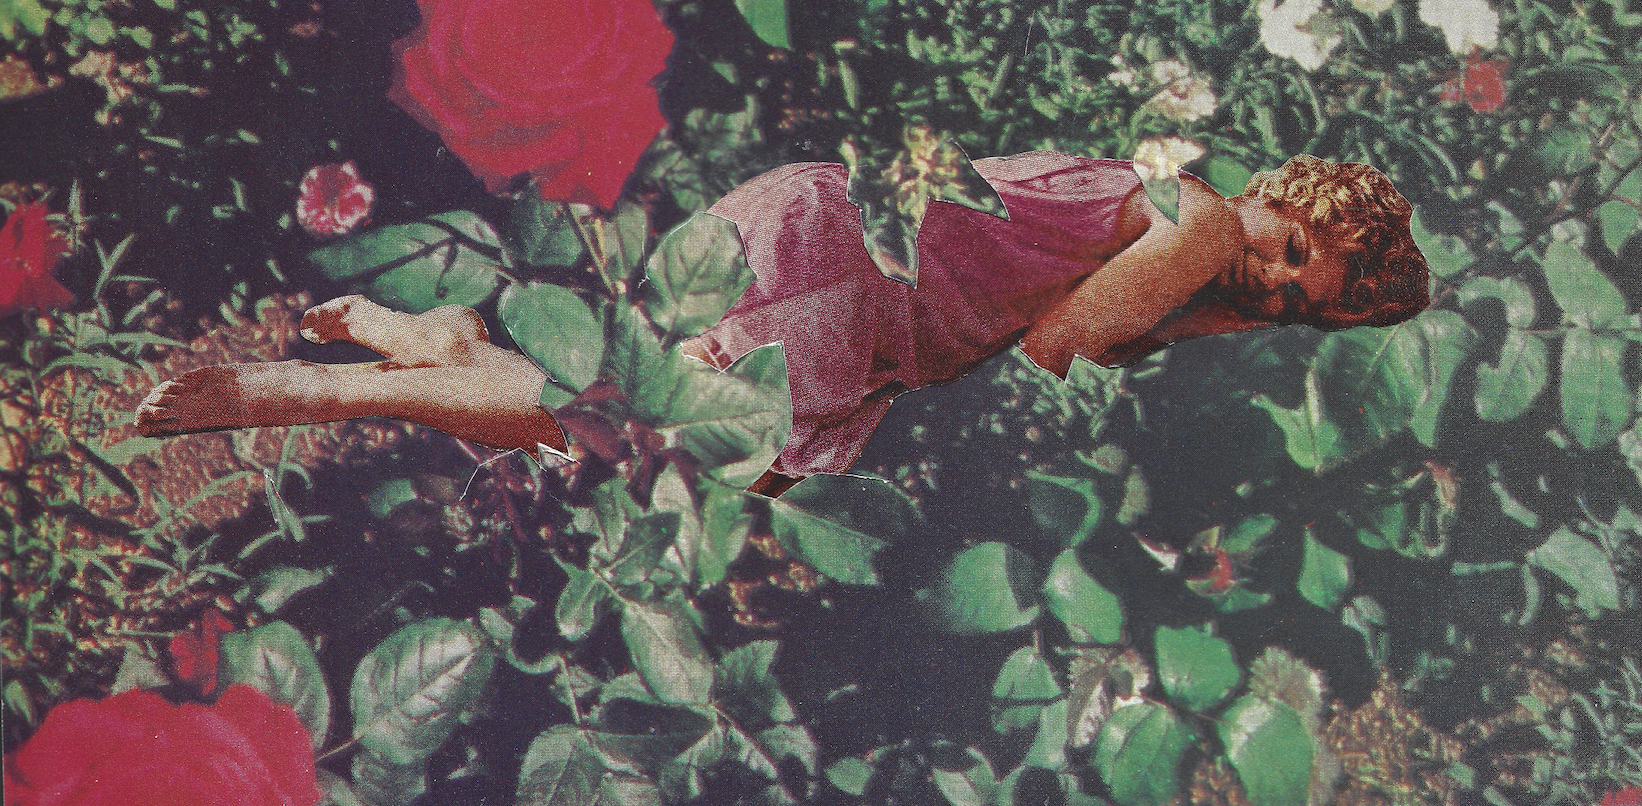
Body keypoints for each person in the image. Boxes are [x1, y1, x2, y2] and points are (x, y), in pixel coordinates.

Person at [135, 152, 1429, 497]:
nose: (1270, 278)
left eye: (1293, 299)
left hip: (867, 319)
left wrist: (1228, 315)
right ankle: (303, 391)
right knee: (623, 421)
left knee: (620, 424)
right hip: (854, 304)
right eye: (1293, 249)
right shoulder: (1196, 227)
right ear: (1290, 191)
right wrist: (1210, 295)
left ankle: (440, 347)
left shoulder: (1193, 240)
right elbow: (1053, 352)